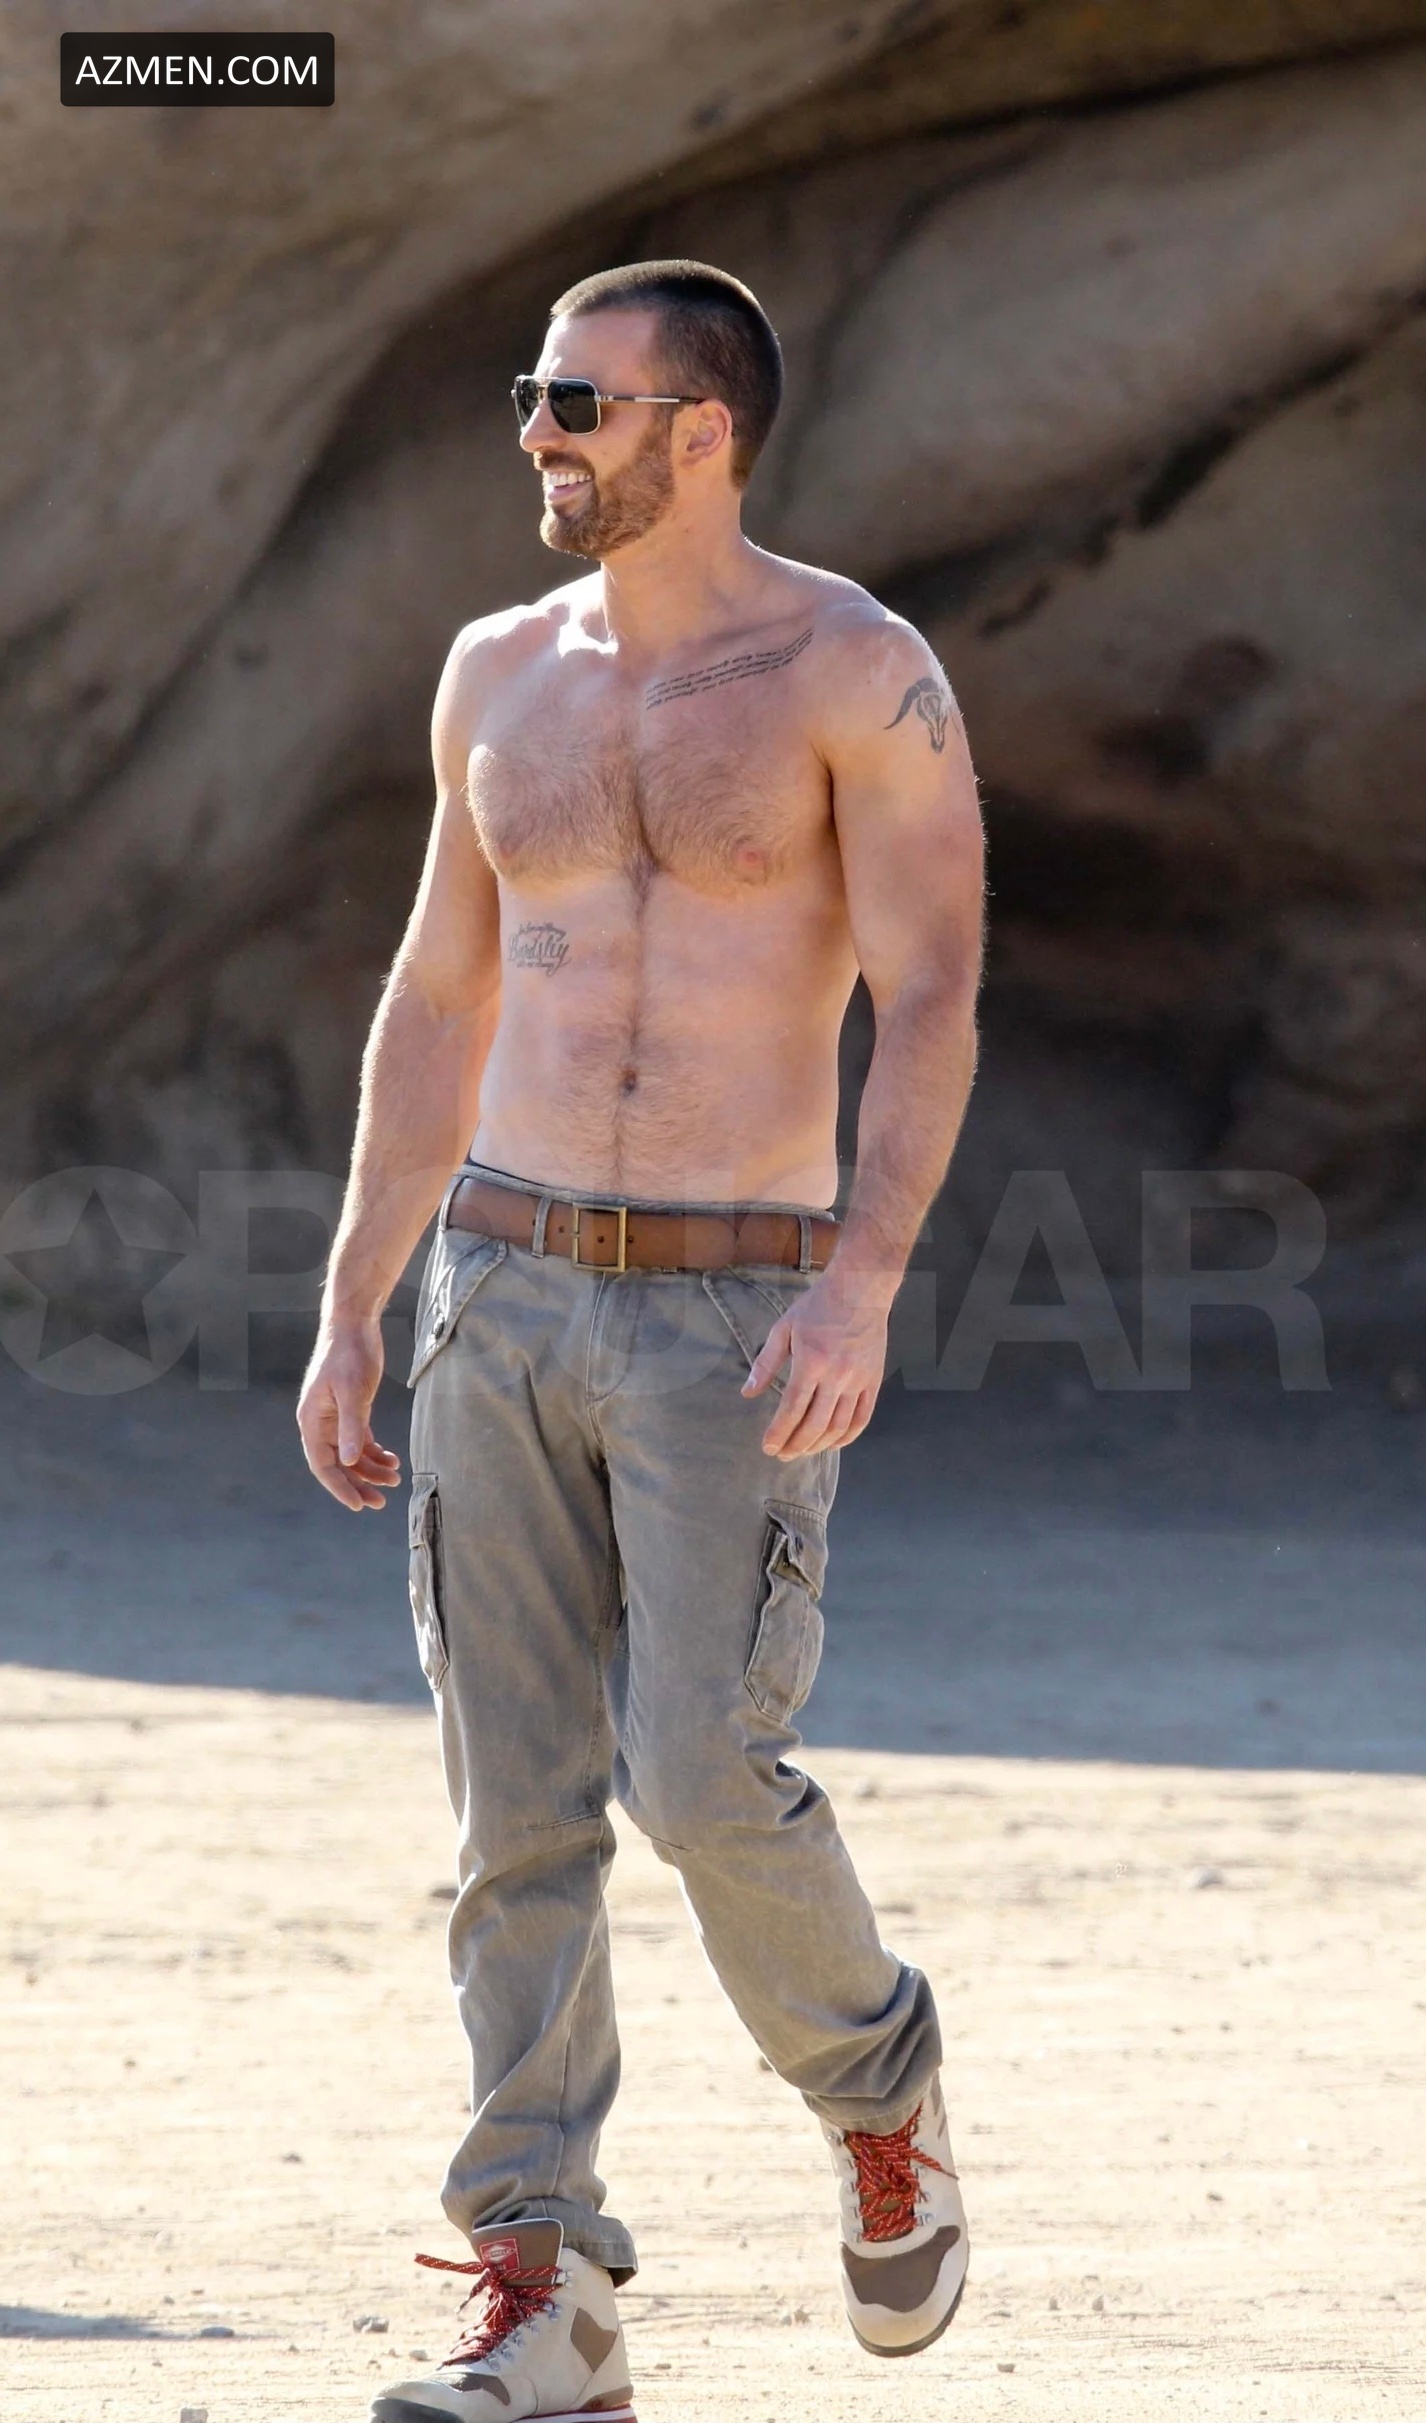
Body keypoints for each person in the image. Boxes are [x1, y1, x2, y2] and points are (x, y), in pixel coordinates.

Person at [297, 258, 984, 2423]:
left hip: (732, 1304)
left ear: (703, 431)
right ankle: (545, 2292)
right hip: (495, 1288)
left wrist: (861, 1277)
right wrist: (354, 1302)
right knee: (513, 1811)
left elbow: (933, 991)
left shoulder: (855, 671)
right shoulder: (496, 672)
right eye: (532, 395)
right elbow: (439, 993)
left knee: (697, 1770)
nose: (536, 432)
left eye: (575, 402)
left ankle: (875, 2085)